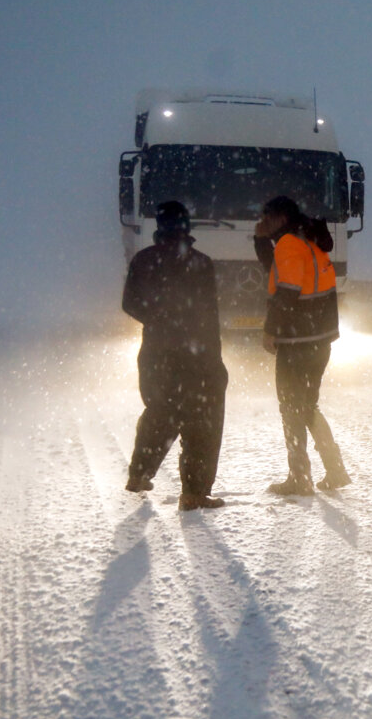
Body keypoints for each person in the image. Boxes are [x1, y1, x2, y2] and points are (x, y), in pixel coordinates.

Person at [123, 201, 228, 510]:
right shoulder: (201, 263)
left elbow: (129, 303)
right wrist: (214, 360)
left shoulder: (144, 260)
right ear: (187, 227)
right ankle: (194, 493)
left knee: (160, 412)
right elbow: (210, 318)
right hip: (197, 355)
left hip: (156, 352)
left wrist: (158, 319)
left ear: (159, 226)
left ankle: (139, 473)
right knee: (202, 422)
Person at [253, 196, 351, 496]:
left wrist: (270, 330)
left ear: (281, 218)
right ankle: (335, 470)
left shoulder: (289, 244)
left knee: (291, 409)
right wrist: (260, 240)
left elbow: (287, 289)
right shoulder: (309, 241)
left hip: (297, 341)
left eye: (266, 217)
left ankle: (300, 478)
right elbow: (277, 269)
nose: (262, 221)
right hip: (319, 341)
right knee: (307, 407)